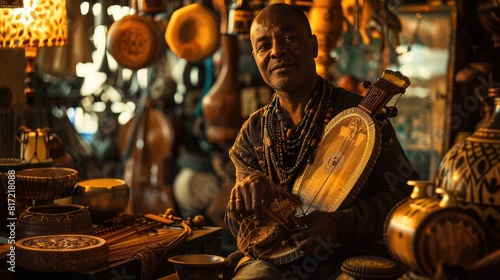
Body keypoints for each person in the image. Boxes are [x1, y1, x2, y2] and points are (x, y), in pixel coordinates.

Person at [224, 3, 420, 279]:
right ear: (255, 56)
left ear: (313, 46)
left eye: (289, 38)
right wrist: (248, 196)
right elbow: (246, 226)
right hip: (271, 259)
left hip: (347, 253)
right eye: (264, 45)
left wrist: (340, 225)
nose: (277, 51)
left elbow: (405, 197)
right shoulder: (253, 131)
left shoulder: (361, 118)